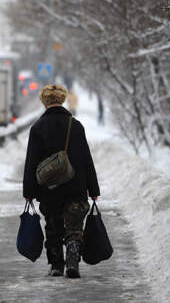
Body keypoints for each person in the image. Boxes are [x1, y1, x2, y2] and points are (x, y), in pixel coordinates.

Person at [23, 84, 100, 278]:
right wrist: (93, 188)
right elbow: (86, 158)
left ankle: (56, 265)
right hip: (76, 186)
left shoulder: (38, 127)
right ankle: (73, 261)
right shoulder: (76, 125)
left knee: (53, 226)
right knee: (74, 226)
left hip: (49, 190)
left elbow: (31, 162)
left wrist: (29, 191)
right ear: (63, 100)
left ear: (44, 101)